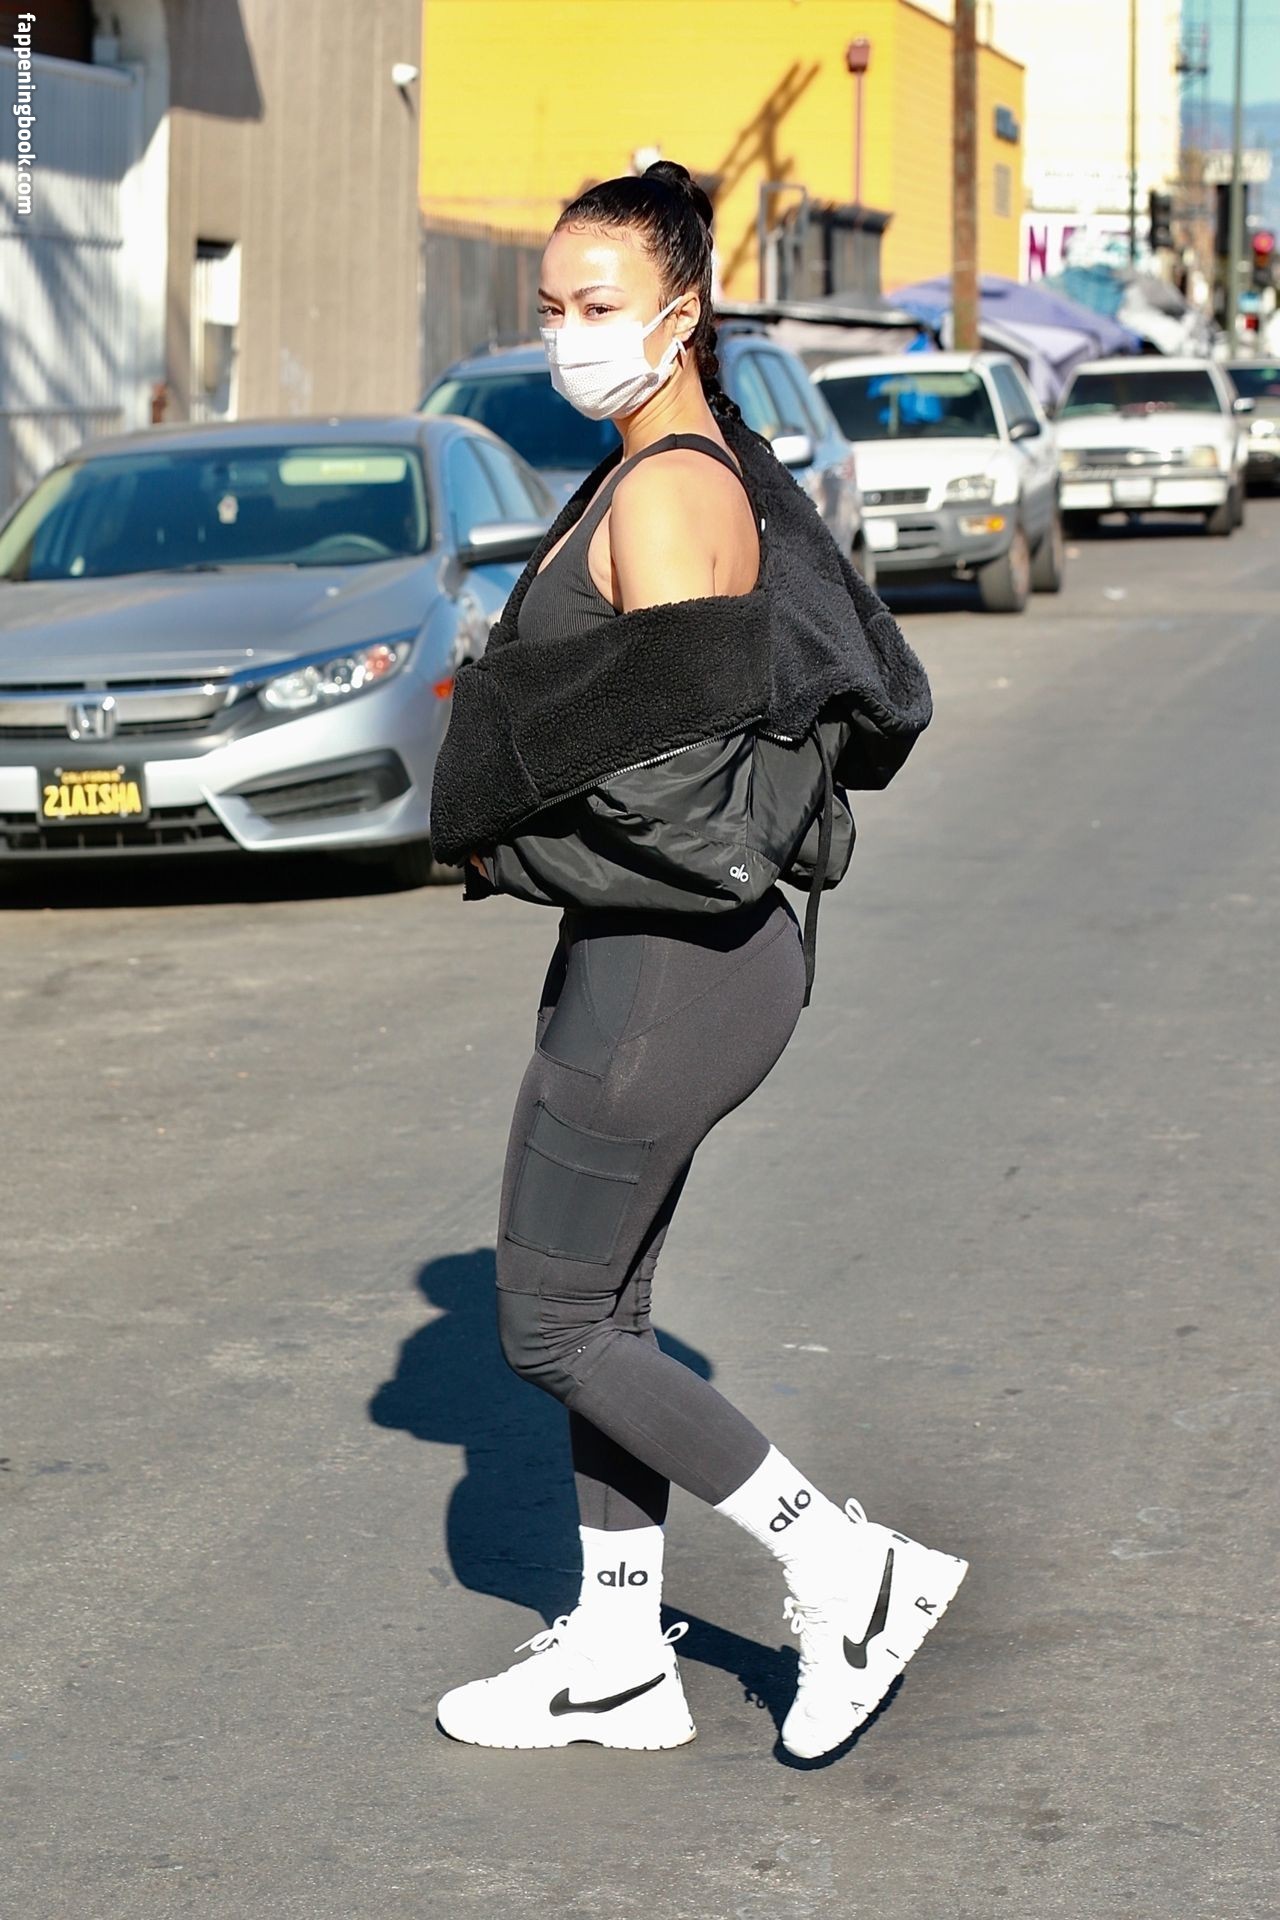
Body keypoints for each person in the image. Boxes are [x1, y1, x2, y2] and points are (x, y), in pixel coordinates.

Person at [432, 162, 966, 1761]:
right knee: (610, 1310)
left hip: (672, 965)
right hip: (654, 957)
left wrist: (497, 832)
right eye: (549, 306)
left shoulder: (671, 492)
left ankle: (848, 1571)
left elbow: (678, 801)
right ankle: (616, 1655)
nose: (567, 333)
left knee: (549, 1324)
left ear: (682, 311)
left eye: (597, 305)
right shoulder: (658, 466)